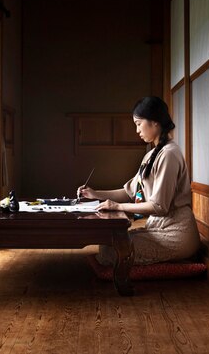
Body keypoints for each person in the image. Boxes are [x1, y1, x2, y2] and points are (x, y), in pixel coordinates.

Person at [77, 96, 201, 265]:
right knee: (108, 244)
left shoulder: (169, 154)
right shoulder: (151, 154)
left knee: (111, 251)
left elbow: (159, 206)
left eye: (138, 123)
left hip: (176, 234)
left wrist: (118, 207)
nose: (137, 130)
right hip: (157, 228)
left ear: (155, 122)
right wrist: (94, 193)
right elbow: (130, 191)